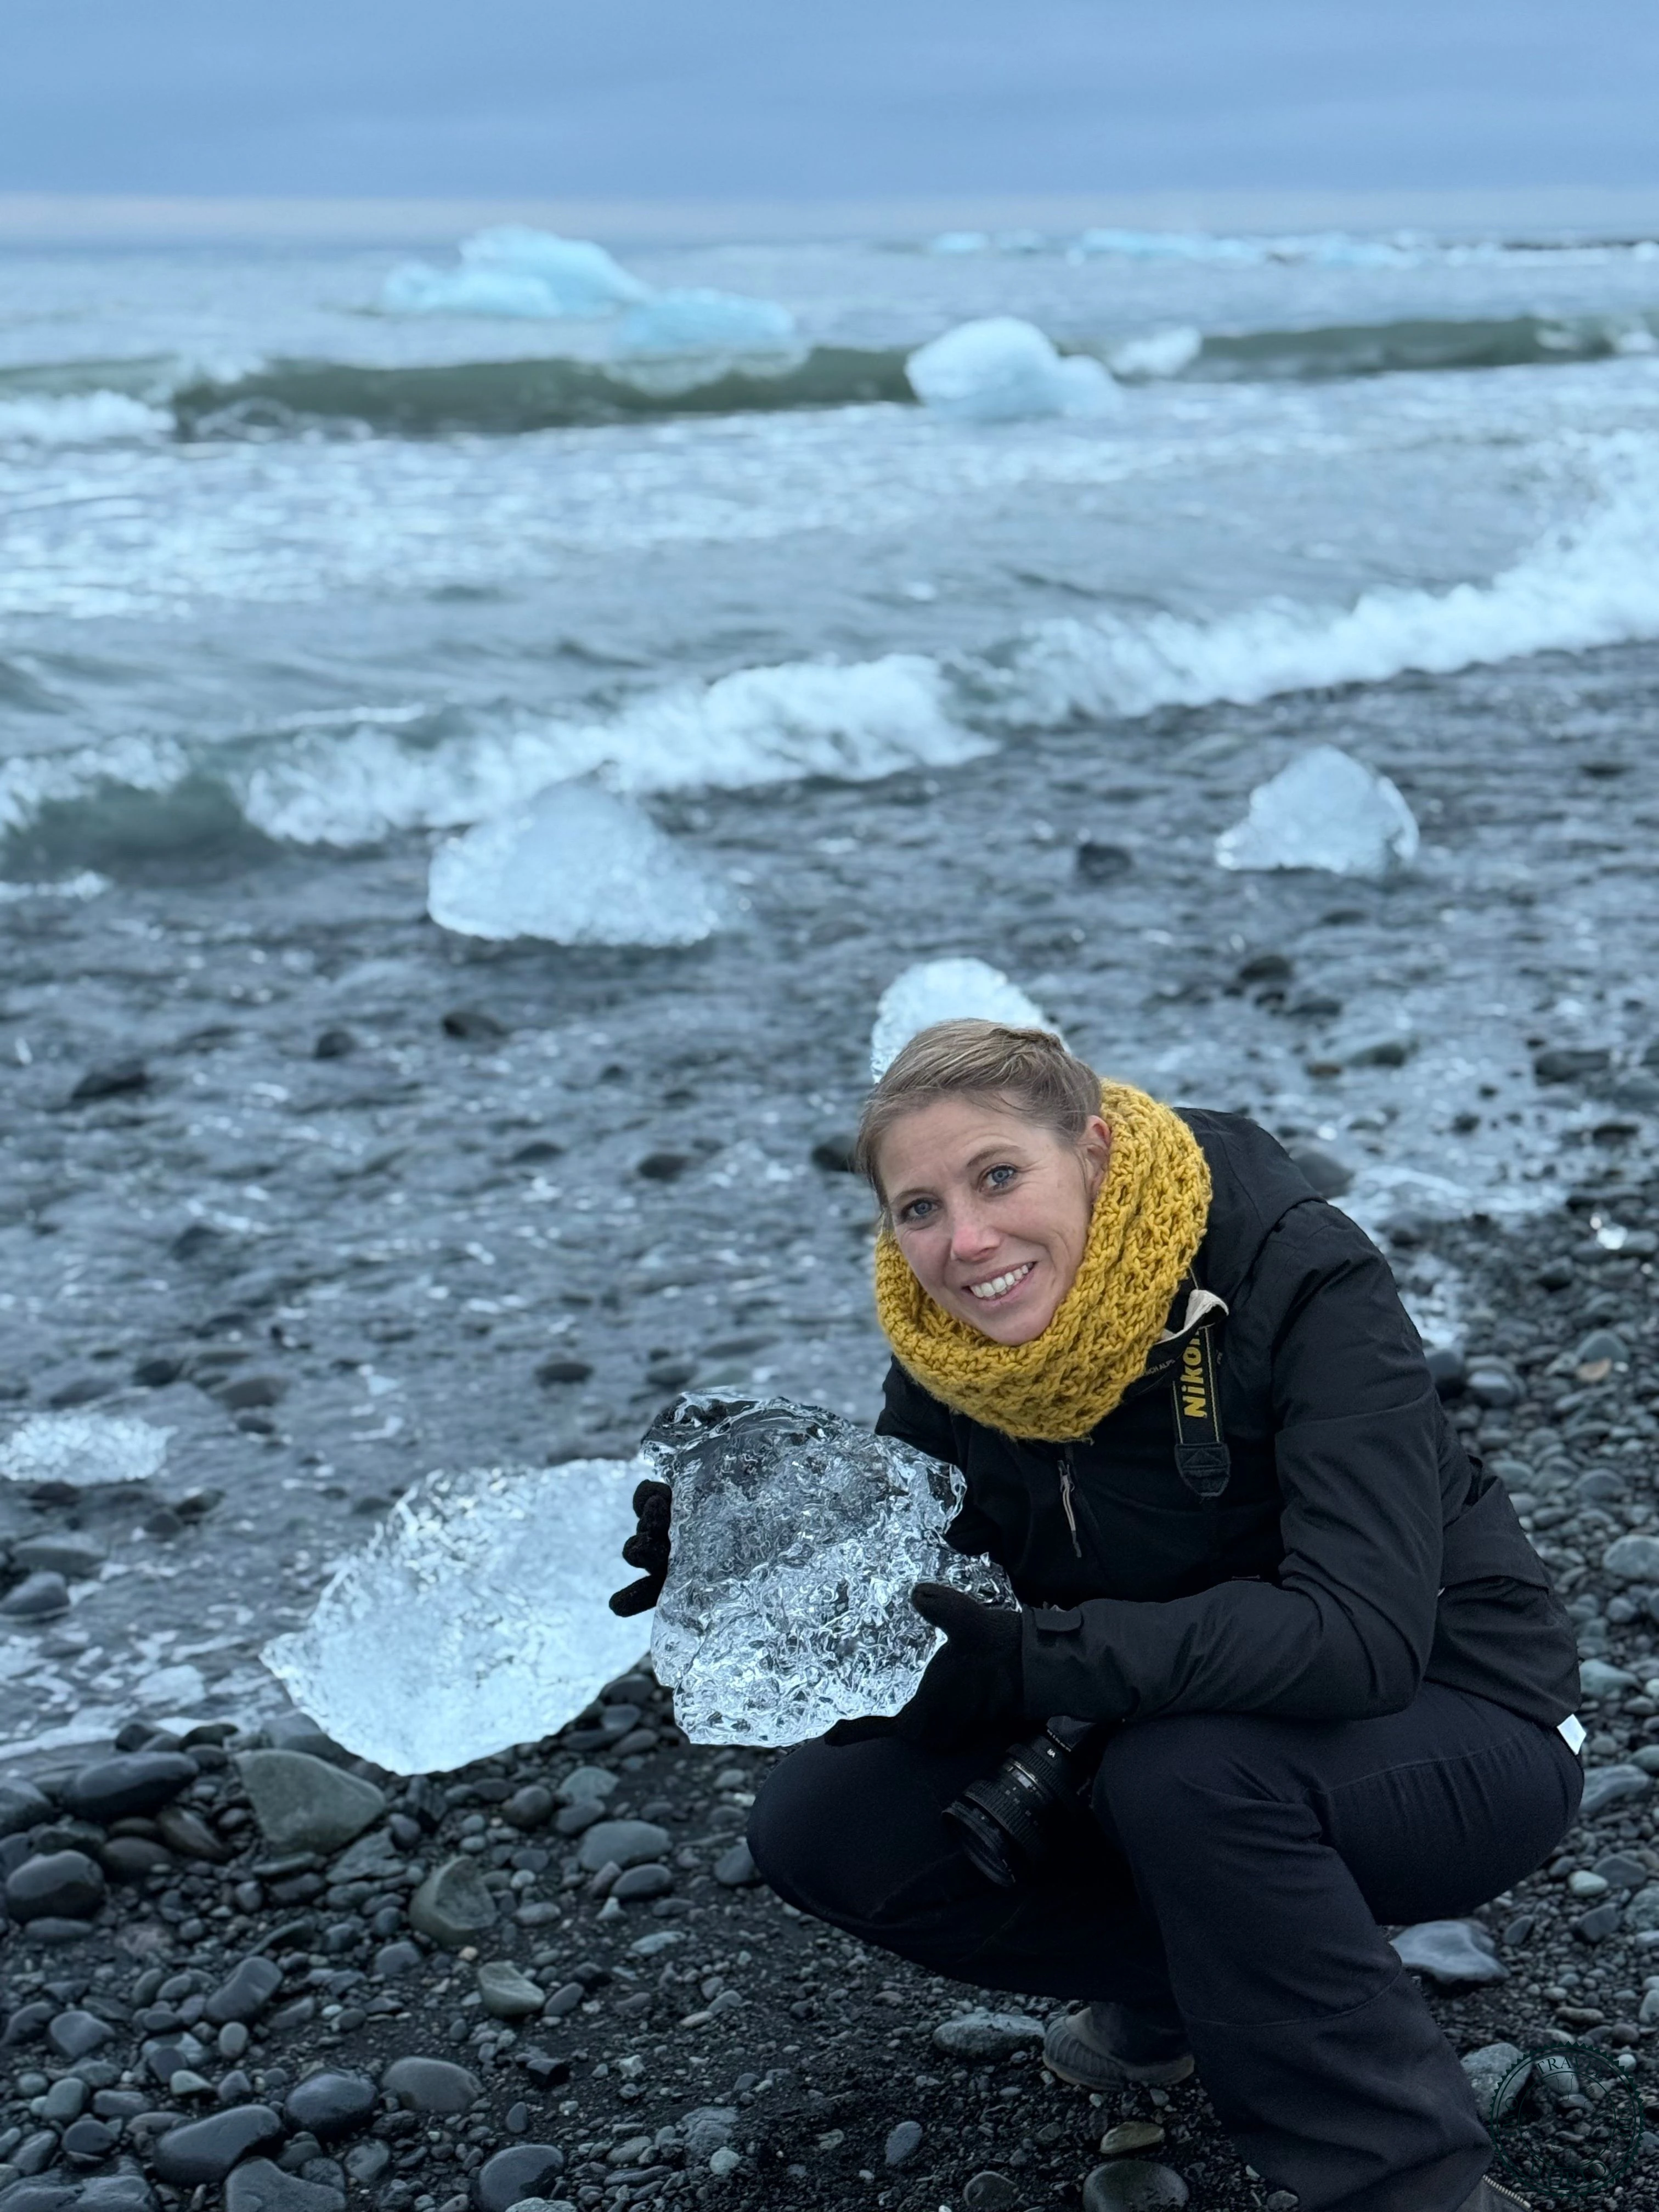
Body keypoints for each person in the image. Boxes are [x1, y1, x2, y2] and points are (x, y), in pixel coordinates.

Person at [611, 1020, 1583, 2212]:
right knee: (825, 1827)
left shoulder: (1302, 1275)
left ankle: (1412, 2184)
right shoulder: (952, 1343)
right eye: (918, 1209)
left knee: (1186, 1782)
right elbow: (919, 1572)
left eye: (998, 1176)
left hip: (1457, 1712)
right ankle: (1213, 1977)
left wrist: (1044, 1662)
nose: (966, 1241)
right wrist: (736, 1558)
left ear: (1096, 1150)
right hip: (1149, 1715)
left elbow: (1361, 1638)